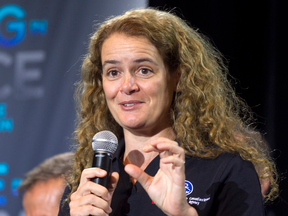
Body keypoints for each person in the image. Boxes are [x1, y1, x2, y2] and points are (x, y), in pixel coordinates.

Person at [58, 8, 278, 216]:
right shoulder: (90, 179)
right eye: (113, 72)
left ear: (178, 78)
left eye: (144, 70)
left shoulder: (228, 170)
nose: (127, 86)